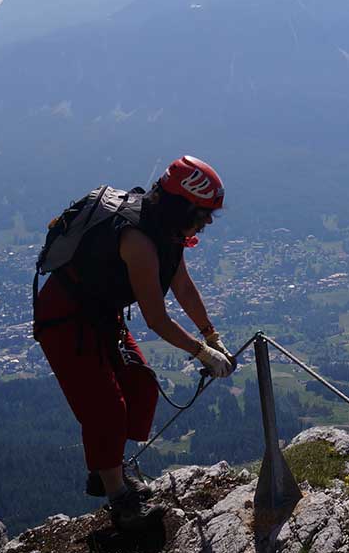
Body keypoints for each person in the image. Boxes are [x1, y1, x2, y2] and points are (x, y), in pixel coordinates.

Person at [32, 155, 237, 530]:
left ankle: (106, 468)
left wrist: (213, 335)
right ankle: (121, 502)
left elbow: (183, 287)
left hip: (99, 315)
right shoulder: (138, 240)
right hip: (65, 320)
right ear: (181, 204)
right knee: (106, 407)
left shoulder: (166, 232)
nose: (206, 222)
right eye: (202, 212)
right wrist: (202, 353)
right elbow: (157, 319)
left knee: (141, 387)